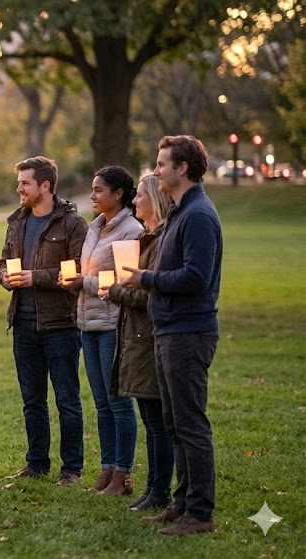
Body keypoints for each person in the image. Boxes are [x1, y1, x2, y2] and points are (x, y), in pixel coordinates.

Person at [120, 135, 223, 536]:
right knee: (175, 421)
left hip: (188, 331)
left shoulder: (198, 215)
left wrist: (147, 277)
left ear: (183, 168)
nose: (157, 170)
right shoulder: (182, 212)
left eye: (163, 164)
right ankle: (180, 504)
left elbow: (196, 277)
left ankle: (199, 514)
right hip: (169, 330)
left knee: (190, 424)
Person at [0, 155, 88, 486]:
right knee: (32, 400)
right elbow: (3, 262)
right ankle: (36, 463)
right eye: (19, 182)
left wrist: (34, 277)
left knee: (67, 399)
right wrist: (6, 278)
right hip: (22, 323)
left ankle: (72, 468)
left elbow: (78, 268)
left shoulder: (72, 224)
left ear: (45, 186)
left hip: (60, 325)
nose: (18, 188)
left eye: (25, 183)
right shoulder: (17, 222)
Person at [60, 166, 142, 494]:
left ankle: (123, 474)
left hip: (112, 323)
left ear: (118, 194)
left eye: (98, 190)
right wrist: (73, 283)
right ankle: (107, 470)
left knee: (118, 401)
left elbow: (127, 279)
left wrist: (86, 282)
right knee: (101, 402)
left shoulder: (131, 230)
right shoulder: (95, 227)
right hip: (87, 322)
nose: (92, 196)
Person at [106, 173, 174, 512]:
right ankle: (154, 490)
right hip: (138, 336)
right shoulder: (150, 237)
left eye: (140, 197)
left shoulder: (161, 241)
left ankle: (159, 491)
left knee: (158, 423)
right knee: (151, 418)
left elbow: (150, 294)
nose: (134, 202)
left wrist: (118, 291)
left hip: (149, 336)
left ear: (155, 201)